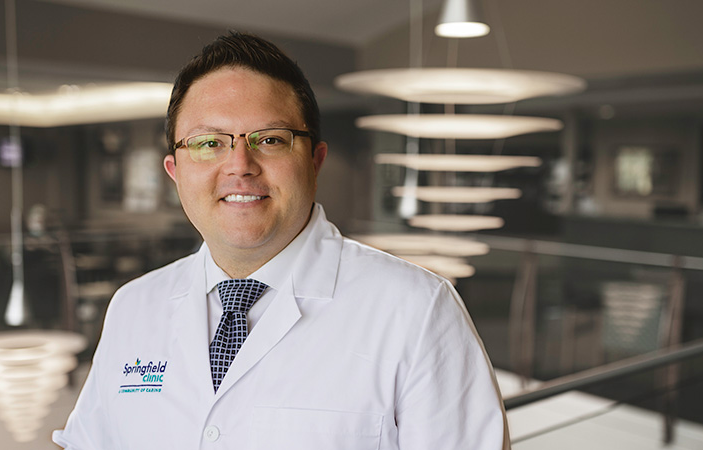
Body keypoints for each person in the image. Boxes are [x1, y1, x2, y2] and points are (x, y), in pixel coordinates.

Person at [53, 31, 509, 450]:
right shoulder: (133, 306)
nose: (240, 165)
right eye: (209, 143)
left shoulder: (418, 310)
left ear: (315, 160)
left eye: (270, 139)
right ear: (175, 171)